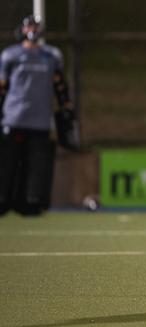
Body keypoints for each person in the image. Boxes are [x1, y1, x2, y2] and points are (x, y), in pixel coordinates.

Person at [0, 15, 76, 216]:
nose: (32, 30)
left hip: (40, 121)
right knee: (7, 163)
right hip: (13, 118)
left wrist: (66, 106)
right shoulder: (11, 55)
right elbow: (2, 87)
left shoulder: (51, 56)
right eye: (29, 26)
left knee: (36, 165)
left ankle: (31, 202)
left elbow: (60, 85)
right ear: (22, 30)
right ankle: (3, 200)